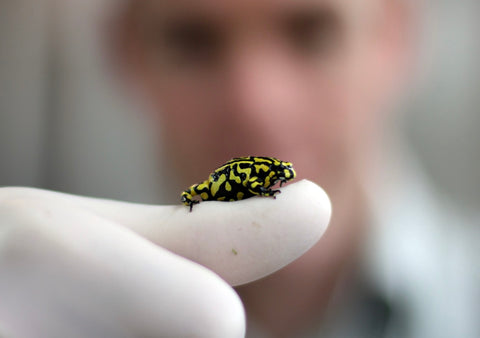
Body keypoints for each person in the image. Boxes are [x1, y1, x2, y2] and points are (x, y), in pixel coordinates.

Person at [0, 0, 478, 337]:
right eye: (194, 41)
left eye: (311, 31)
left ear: (395, 38)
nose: (255, 103)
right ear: (126, 53)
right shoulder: (59, 307)